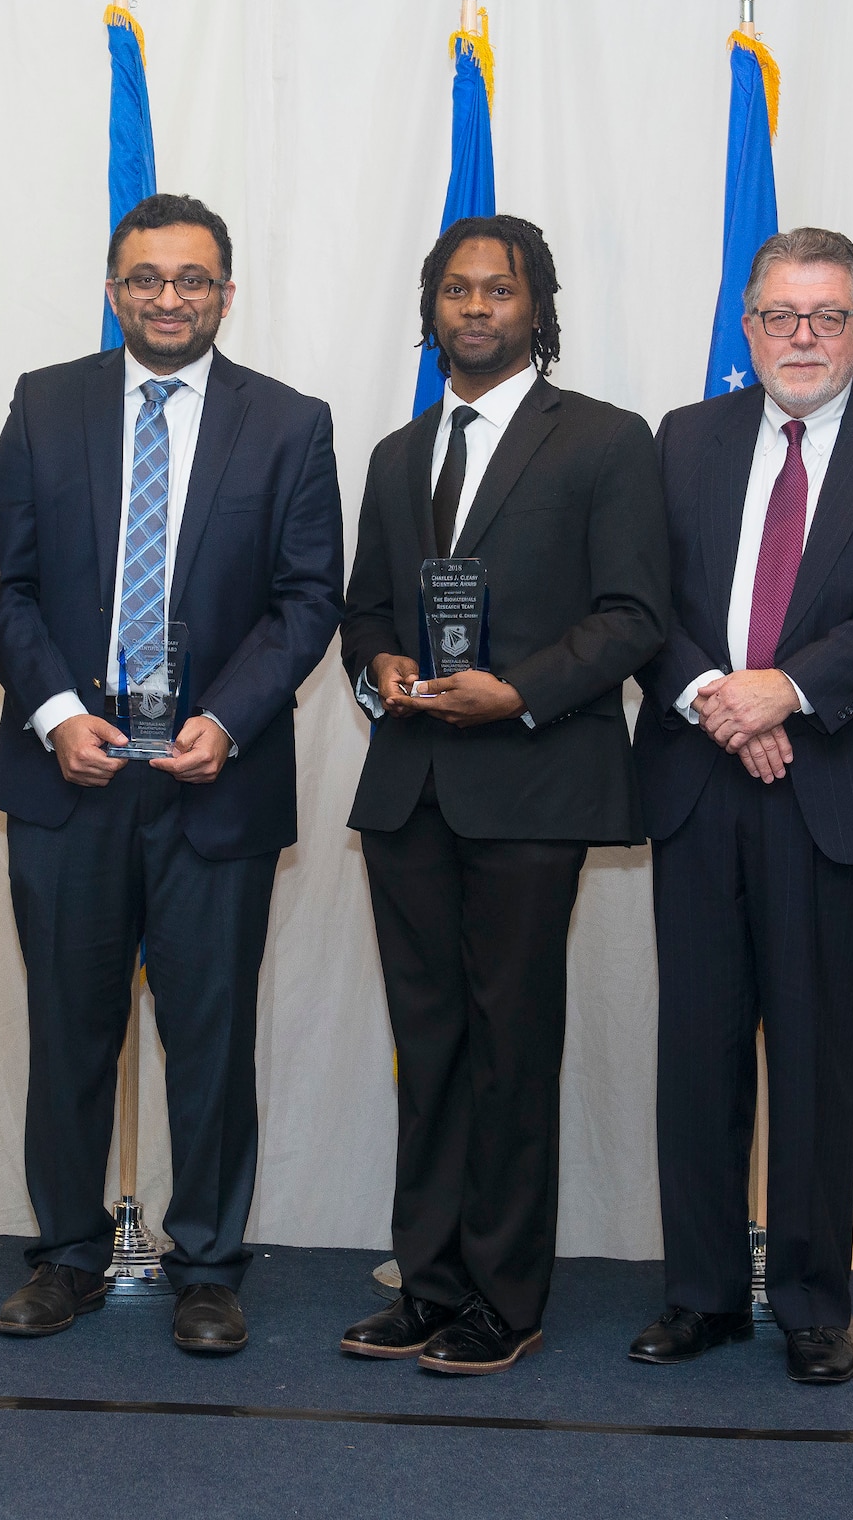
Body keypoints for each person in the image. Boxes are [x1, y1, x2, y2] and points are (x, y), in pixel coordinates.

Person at [0, 193, 343, 1356]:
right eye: (145, 278)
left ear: (226, 294)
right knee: (68, 1032)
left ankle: (209, 1266)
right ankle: (66, 1255)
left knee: (211, 1036)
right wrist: (51, 714)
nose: (168, 297)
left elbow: (306, 598)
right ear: (112, 286)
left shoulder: (287, 423)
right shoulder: (44, 404)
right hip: (68, 778)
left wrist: (228, 720)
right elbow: (1, 583)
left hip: (211, 783)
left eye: (192, 279)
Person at [630, 227, 853, 1385]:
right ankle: (701, 1295)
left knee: (820, 1058)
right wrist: (710, 696)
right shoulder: (684, 438)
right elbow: (641, 596)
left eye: (826, 317)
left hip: (839, 785)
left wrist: (784, 690)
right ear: (747, 326)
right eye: (780, 315)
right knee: (699, 1052)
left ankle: (813, 1302)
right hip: (697, 776)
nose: (802, 337)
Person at [337, 216, 669, 1375]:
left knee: (509, 1048)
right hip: (410, 791)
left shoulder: (605, 441)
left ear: (536, 308)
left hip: (532, 786)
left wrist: (516, 691)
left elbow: (632, 614)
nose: (476, 309)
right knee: (424, 1047)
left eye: (498, 292)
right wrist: (375, 664)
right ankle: (427, 1286)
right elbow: (364, 606)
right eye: (456, 291)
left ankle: (505, 1297)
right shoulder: (393, 453)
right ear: (430, 308)